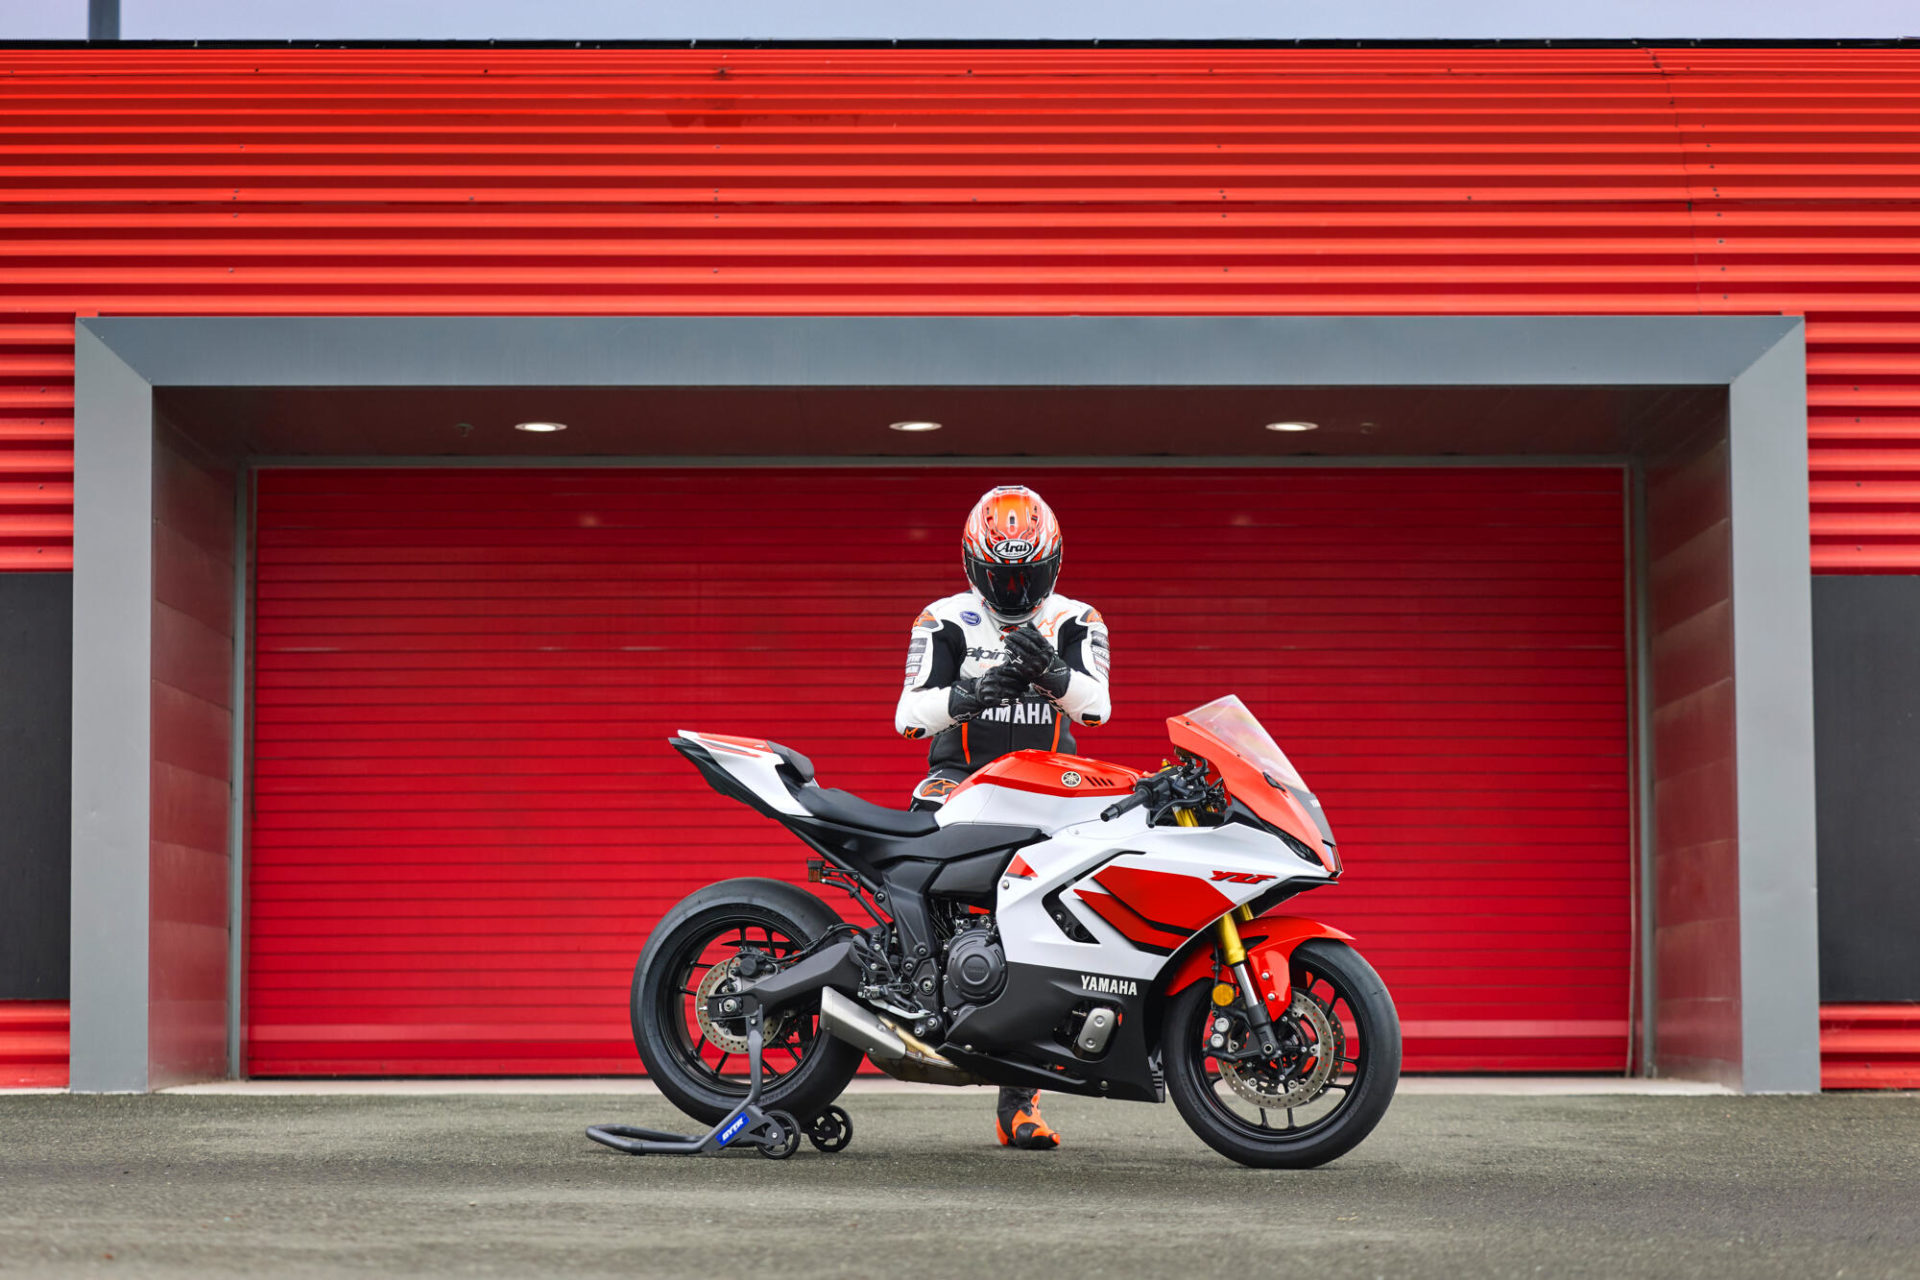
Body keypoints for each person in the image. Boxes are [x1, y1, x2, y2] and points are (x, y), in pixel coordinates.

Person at [894, 484, 1112, 1150]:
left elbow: (1096, 709)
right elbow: (908, 718)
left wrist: (1052, 673)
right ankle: (906, 994)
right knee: (913, 867)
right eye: (1001, 576)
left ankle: (1021, 1098)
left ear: (1052, 564)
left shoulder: (1077, 619)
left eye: (1026, 575)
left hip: (1050, 790)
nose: (1014, 589)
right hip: (958, 781)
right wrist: (968, 694)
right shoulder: (944, 619)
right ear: (975, 565)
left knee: (1066, 926)